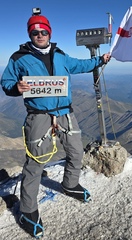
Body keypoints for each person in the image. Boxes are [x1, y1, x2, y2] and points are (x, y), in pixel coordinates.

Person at [0, 10, 111, 238]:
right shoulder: (18, 57)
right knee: (36, 162)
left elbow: (79, 65)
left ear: (49, 32)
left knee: (76, 151)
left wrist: (99, 60)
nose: (39, 34)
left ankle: (70, 184)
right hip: (39, 114)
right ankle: (28, 210)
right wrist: (15, 88)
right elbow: (7, 81)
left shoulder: (60, 54)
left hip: (65, 113)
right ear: (30, 34)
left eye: (43, 31)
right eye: (34, 31)